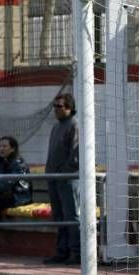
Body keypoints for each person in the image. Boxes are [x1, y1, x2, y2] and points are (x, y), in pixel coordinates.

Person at [43, 93, 80, 265]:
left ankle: (76, 251)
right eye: (54, 106)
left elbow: (76, 155)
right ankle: (62, 250)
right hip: (54, 178)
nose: (55, 110)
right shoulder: (56, 127)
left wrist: (63, 172)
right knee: (59, 216)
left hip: (67, 179)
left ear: (69, 108)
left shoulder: (75, 125)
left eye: (59, 106)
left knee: (71, 216)